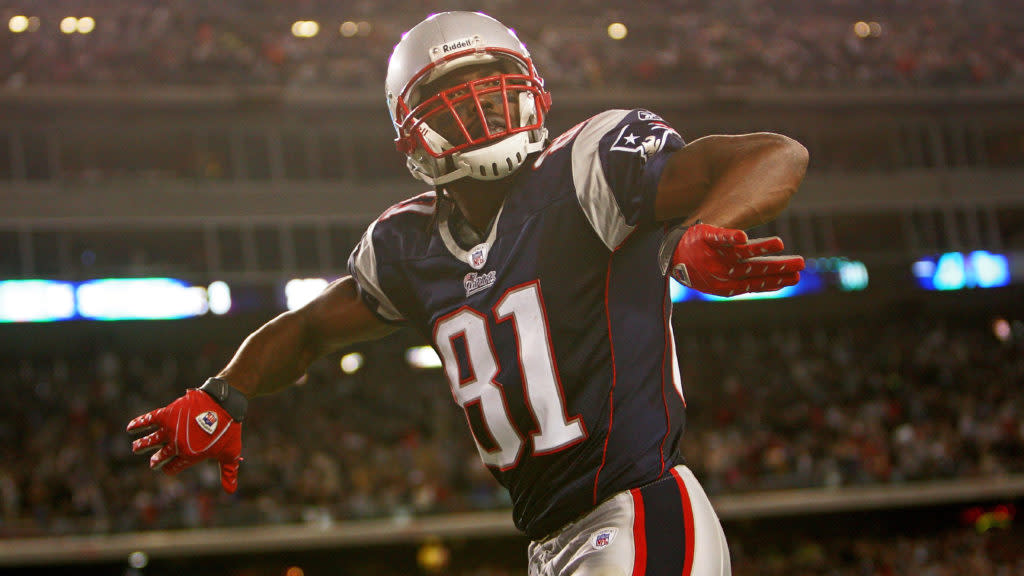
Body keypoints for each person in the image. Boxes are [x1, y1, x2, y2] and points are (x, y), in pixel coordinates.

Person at [128, 11, 808, 576]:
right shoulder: (406, 246)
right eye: (457, 90)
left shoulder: (585, 169)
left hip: (638, 506)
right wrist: (226, 392)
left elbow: (771, 153)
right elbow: (309, 329)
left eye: (493, 84)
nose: (482, 103)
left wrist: (702, 230)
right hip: (554, 539)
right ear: (411, 133)